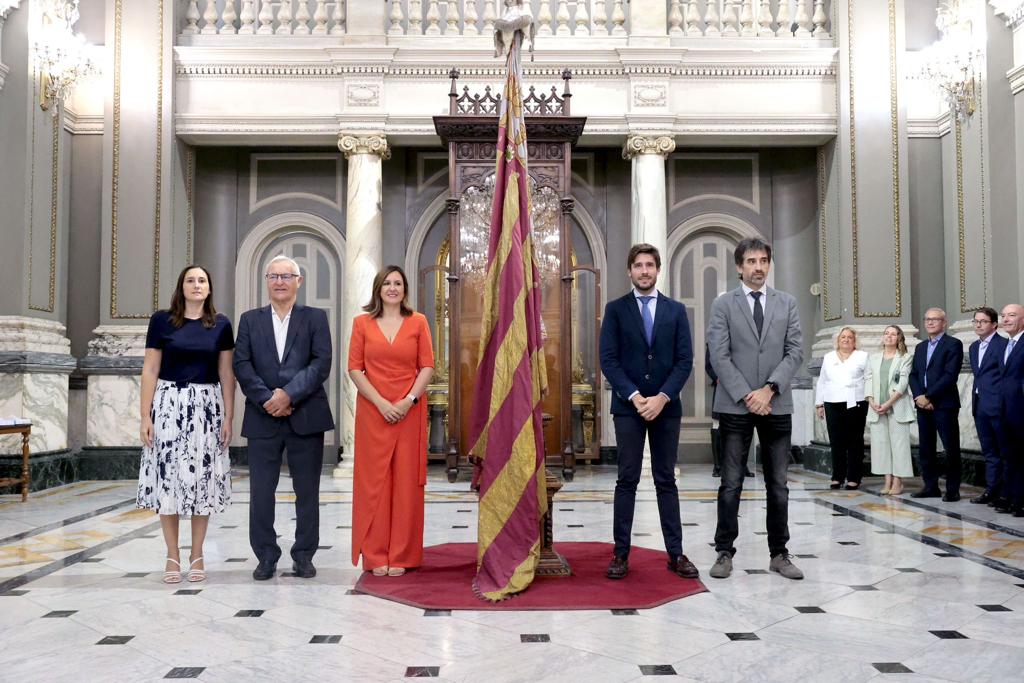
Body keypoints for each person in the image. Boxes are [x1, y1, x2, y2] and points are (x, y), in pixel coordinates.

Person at [706, 237, 804, 581]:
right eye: (751, 261)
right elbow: (718, 355)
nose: (758, 267)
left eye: (763, 260)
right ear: (739, 266)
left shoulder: (787, 303)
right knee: (731, 483)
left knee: (778, 484)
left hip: (776, 405)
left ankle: (779, 553)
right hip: (735, 405)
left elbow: (794, 351)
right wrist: (748, 394)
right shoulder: (723, 305)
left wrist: (769, 389)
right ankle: (723, 552)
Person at [599, 243, 697, 581]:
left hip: (666, 409)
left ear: (658, 270)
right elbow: (608, 360)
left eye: (650, 265)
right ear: (630, 271)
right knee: (626, 479)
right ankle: (620, 554)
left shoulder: (675, 310)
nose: (644, 271)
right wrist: (636, 395)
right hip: (629, 409)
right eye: (638, 265)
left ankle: (676, 553)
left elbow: (685, 361)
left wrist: (663, 397)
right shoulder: (615, 310)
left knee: (665, 479)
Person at [233, 255, 334, 581]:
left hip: (306, 414)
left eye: (286, 276)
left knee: (308, 491)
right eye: (274, 276)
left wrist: (288, 394)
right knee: (261, 492)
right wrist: (268, 398)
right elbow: (242, 364)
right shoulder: (249, 320)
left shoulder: (316, 318)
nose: (280, 281)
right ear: (266, 280)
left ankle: (304, 555)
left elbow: (321, 363)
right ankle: (265, 555)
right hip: (263, 417)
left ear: (298, 281)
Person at [137, 265, 235, 584]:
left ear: (209, 289)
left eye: (202, 281)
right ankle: (171, 553)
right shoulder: (162, 321)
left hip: (207, 408)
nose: (196, 285)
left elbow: (226, 375)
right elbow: (150, 369)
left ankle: (197, 553)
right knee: (168, 480)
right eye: (190, 280)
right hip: (167, 405)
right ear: (181, 287)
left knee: (201, 482)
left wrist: (228, 418)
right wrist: (145, 415)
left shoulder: (220, 325)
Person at [348, 266, 434, 577]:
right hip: (374, 411)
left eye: (398, 283)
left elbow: (427, 366)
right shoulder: (361, 323)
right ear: (378, 289)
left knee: (406, 483)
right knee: (375, 483)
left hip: (409, 411)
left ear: (405, 289)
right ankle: (375, 555)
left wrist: (407, 401)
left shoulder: (419, 322)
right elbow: (355, 369)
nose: (393, 288)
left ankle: (402, 553)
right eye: (387, 283)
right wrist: (382, 403)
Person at [908, 308, 964, 502]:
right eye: (927, 319)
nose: (930, 323)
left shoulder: (953, 344)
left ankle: (952, 489)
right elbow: (914, 374)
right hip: (922, 404)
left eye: (935, 319)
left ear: (944, 322)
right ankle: (930, 486)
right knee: (926, 447)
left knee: (951, 447)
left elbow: (950, 376)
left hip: (944, 404)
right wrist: (918, 397)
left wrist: (929, 397)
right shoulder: (920, 347)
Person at [814, 327, 869, 490]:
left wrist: (870, 399)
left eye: (850, 337)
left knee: (855, 441)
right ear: (837, 341)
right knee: (836, 440)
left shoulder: (863, 356)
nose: (846, 340)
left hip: (856, 402)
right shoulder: (829, 357)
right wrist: (819, 403)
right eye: (843, 337)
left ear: (855, 341)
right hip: (832, 402)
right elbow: (822, 381)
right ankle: (837, 476)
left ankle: (854, 477)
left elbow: (869, 378)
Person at [864, 325, 914, 496]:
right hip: (877, 407)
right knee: (881, 446)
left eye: (893, 334)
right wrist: (871, 401)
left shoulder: (905, 357)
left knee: (899, 446)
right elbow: (868, 379)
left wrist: (888, 404)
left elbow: (903, 383)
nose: (889, 336)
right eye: (886, 333)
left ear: (899, 338)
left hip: (896, 406)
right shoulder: (874, 357)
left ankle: (898, 482)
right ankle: (887, 481)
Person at [967, 307, 1007, 505]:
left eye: (983, 321)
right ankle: (991, 490)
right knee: (989, 451)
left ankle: (1005, 493)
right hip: (980, 405)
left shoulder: (1003, 345)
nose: (978, 325)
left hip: (998, 406)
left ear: (994, 325)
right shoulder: (973, 347)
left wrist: (1001, 402)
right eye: (976, 321)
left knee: (1004, 451)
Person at [997, 303, 1024, 516]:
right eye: (1004, 316)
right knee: (1011, 456)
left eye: (1012, 315)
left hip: (1021, 410)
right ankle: (1014, 499)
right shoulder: (1006, 344)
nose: (1006, 319)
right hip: (1006, 411)